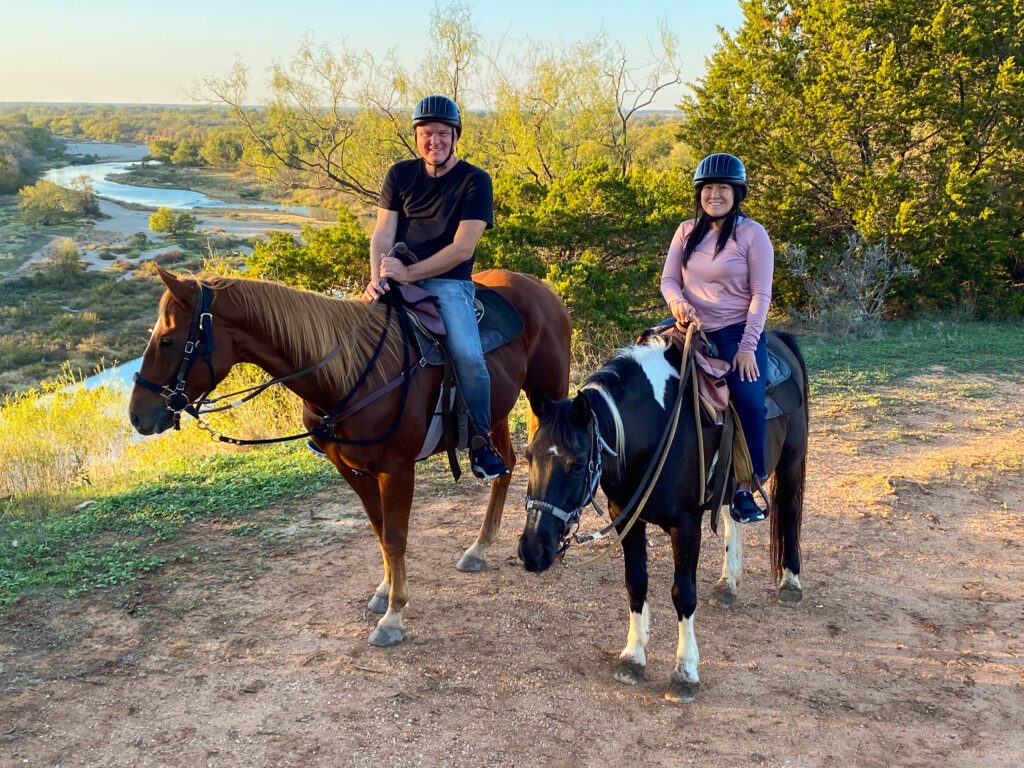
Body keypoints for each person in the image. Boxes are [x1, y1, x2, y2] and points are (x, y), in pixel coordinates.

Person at [362, 95, 509, 480]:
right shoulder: (400, 175)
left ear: (455, 136)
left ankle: (480, 441)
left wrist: (409, 276)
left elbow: (462, 247)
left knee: (468, 355)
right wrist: (378, 275)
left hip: (448, 283)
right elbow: (382, 232)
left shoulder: (476, 181)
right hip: (395, 274)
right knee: (350, 333)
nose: (434, 141)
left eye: (442, 133)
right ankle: (337, 421)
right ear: (416, 136)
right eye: (426, 134)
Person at [660, 153, 774, 523]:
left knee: (748, 399)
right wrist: (678, 305)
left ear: (736, 193)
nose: (715, 195)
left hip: (736, 331)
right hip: (689, 327)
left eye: (723, 188)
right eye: (708, 188)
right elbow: (669, 280)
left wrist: (747, 348)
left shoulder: (752, 234)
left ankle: (746, 486)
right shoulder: (685, 232)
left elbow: (761, 295)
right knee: (642, 369)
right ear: (699, 193)